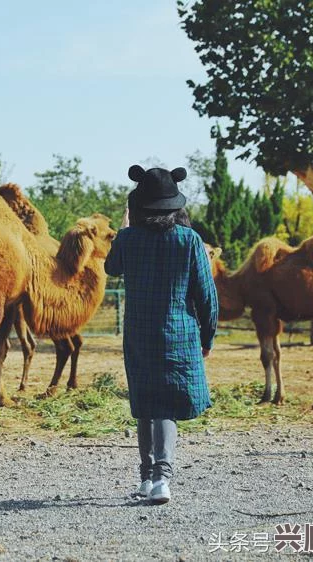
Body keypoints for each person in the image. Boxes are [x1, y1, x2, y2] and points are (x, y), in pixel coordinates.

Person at [104, 165, 219, 505]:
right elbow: (207, 295)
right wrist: (207, 337)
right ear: (176, 204)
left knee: (145, 402)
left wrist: (124, 230)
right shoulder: (189, 240)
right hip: (179, 335)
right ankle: (161, 480)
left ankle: (145, 477)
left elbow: (111, 268)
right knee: (165, 405)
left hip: (139, 333)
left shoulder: (128, 239)